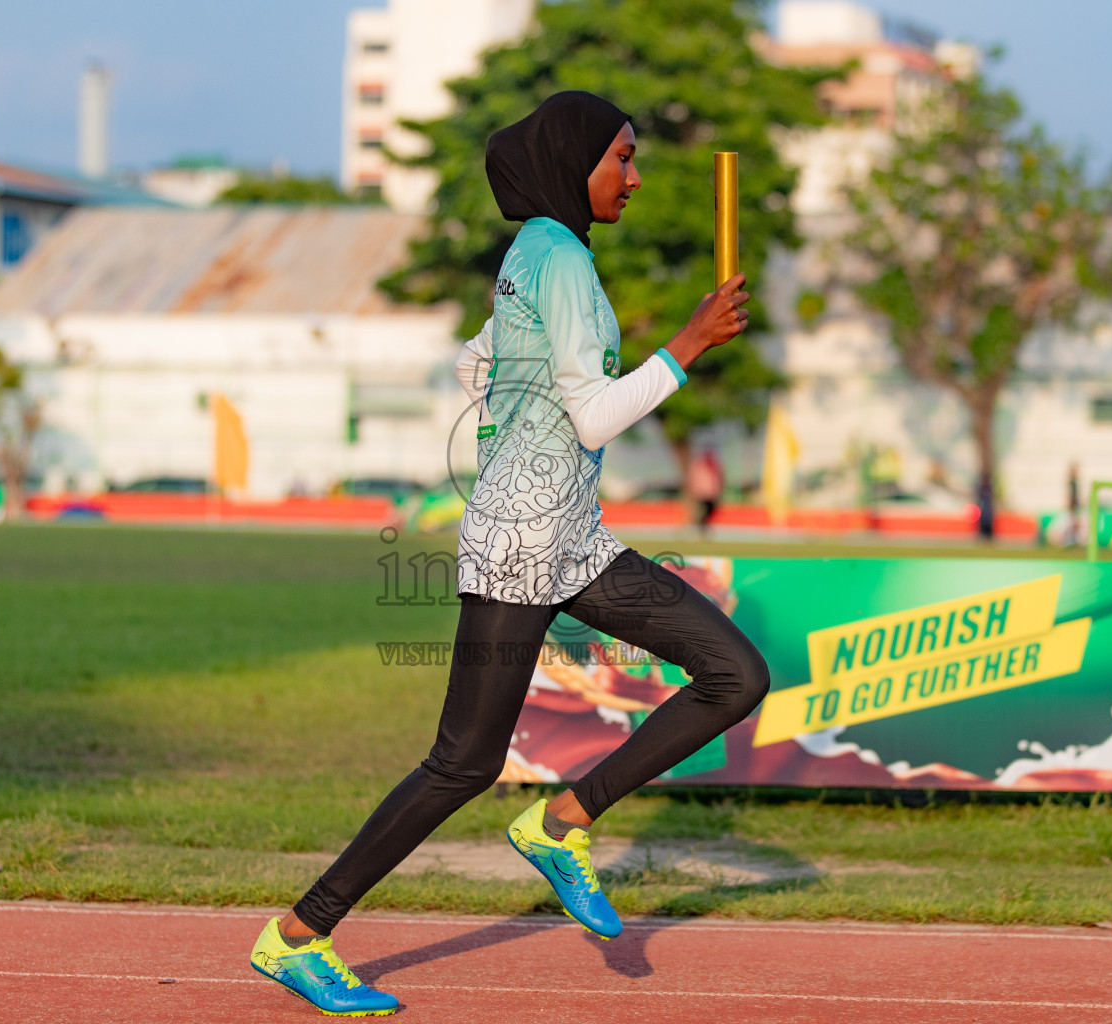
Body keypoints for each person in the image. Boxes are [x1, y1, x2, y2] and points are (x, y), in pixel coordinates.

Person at [246, 90, 767, 1017]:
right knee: (463, 762)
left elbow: (474, 366)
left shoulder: (540, 255)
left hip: (569, 536)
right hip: (524, 543)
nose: (635, 177)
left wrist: (518, 410)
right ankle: (298, 935)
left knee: (733, 672)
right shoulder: (558, 258)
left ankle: (562, 821)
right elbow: (595, 412)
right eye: (623, 158)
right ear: (576, 161)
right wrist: (685, 348)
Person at [687, 449, 724, 535]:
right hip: (701, 493)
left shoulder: (714, 467)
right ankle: (700, 527)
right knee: (702, 510)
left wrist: (718, 490)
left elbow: (719, 479)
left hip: (711, 493)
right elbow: (694, 479)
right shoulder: (699, 467)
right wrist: (694, 490)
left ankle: (703, 526)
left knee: (710, 510)